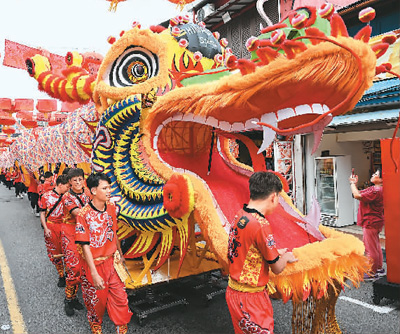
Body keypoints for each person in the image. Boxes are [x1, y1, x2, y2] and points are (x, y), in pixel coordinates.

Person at [226, 171, 297, 334]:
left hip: (233, 292)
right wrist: (285, 257)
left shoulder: (240, 215)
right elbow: (277, 268)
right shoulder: (261, 224)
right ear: (273, 196)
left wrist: (273, 252)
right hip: (251, 298)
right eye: (279, 197)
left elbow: (245, 247)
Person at [75, 173, 132, 334]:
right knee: (96, 303)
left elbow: (114, 233)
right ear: (93, 190)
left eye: (109, 187)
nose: (109, 191)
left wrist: (120, 254)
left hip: (112, 262)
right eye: (105, 188)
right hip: (93, 265)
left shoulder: (111, 209)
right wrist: (93, 273)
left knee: (121, 299)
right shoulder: (83, 214)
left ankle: (121, 329)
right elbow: (84, 245)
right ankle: (96, 327)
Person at [61, 168, 91, 316]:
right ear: (70, 182)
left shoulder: (88, 192)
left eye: (80, 179)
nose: (78, 182)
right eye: (75, 180)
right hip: (70, 232)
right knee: (74, 268)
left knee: (85, 267)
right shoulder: (66, 197)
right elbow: (77, 213)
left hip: (85, 231)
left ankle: (77, 297)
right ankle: (69, 298)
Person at [350, 169, 385, 281]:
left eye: (376, 174)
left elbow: (357, 195)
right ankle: (378, 268)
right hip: (376, 220)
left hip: (370, 221)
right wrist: (355, 185)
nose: (373, 175)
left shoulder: (376, 191)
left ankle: (371, 271)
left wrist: (351, 183)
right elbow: (358, 193)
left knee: (370, 248)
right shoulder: (377, 189)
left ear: (381, 179)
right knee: (376, 245)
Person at [40, 174, 70, 287]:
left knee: (68, 251)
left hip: (65, 226)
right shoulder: (46, 196)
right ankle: (61, 274)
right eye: (67, 186)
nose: (68, 188)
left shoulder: (68, 196)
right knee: (55, 253)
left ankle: (68, 273)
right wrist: (46, 228)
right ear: (60, 185)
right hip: (52, 227)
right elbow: (42, 213)